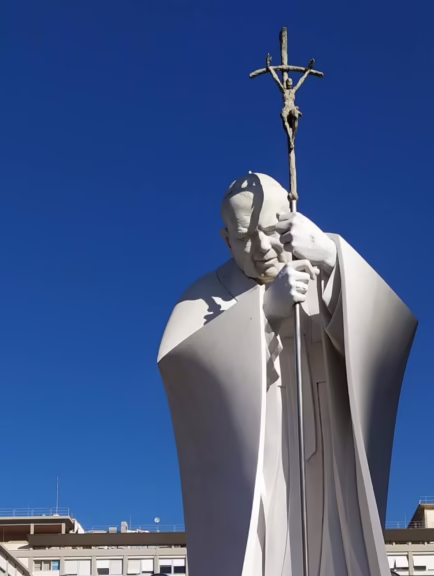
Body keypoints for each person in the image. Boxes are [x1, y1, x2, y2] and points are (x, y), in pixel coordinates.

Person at [158, 172, 417, 576]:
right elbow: (184, 371)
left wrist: (333, 259)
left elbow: (388, 334)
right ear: (226, 240)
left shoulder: (321, 263)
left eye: (271, 229)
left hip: (330, 465)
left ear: (291, 217)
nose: (260, 248)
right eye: (244, 238)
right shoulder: (202, 296)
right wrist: (262, 312)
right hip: (260, 468)